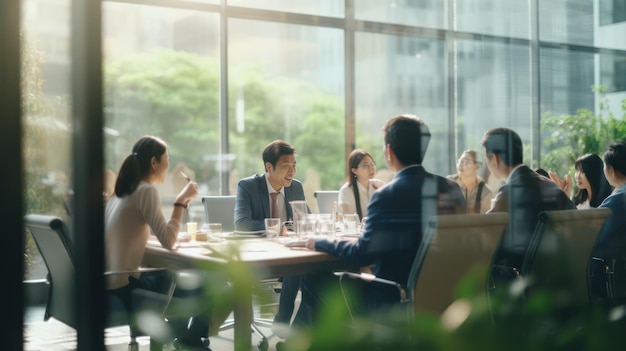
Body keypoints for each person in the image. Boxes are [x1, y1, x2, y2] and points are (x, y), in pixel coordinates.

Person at [303, 114, 465, 317]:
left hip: (394, 299)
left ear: (389, 152)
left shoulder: (386, 195)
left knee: (312, 280)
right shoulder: (452, 189)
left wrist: (321, 242)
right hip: (445, 298)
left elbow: (362, 253)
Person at [104, 136, 213, 350]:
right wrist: (181, 201)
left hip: (108, 284)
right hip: (125, 291)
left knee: (167, 277)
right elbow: (169, 242)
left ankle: (177, 334)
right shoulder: (146, 190)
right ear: (154, 162)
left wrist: (166, 235)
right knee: (207, 288)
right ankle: (188, 340)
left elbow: (138, 233)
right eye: (167, 158)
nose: (169, 164)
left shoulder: (121, 193)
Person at [233, 140, 307, 334]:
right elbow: (241, 223)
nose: (292, 171)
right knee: (298, 265)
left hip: (288, 256)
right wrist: (279, 228)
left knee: (308, 267)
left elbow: (304, 223)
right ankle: (285, 322)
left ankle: (287, 321)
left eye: (294, 165)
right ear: (269, 166)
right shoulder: (248, 186)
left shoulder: (296, 187)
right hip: (259, 258)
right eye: (285, 166)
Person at [482, 128, 575, 269]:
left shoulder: (510, 190)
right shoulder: (550, 185)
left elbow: (485, 233)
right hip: (558, 277)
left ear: (495, 159)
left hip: (519, 281)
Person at [338, 149, 385, 220]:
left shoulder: (379, 185)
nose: (371, 168)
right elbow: (346, 220)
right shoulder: (346, 191)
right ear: (354, 170)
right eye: (366, 166)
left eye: (372, 164)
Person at [447, 150, 494, 214]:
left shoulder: (486, 193)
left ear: (477, 167)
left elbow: (486, 220)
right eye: (459, 161)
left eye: (465, 162)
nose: (460, 164)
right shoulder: (449, 183)